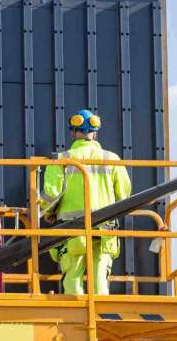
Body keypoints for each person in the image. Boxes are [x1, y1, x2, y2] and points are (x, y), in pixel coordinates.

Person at [40, 109, 132, 295]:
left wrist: (48, 213)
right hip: (106, 229)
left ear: (73, 132)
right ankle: (99, 316)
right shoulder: (112, 159)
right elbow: (124, 195)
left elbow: (51, 194)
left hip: (73, 229)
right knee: (99, 276)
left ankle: (74, 317)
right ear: (95, 133)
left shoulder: (62, 160)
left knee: (73, 276)